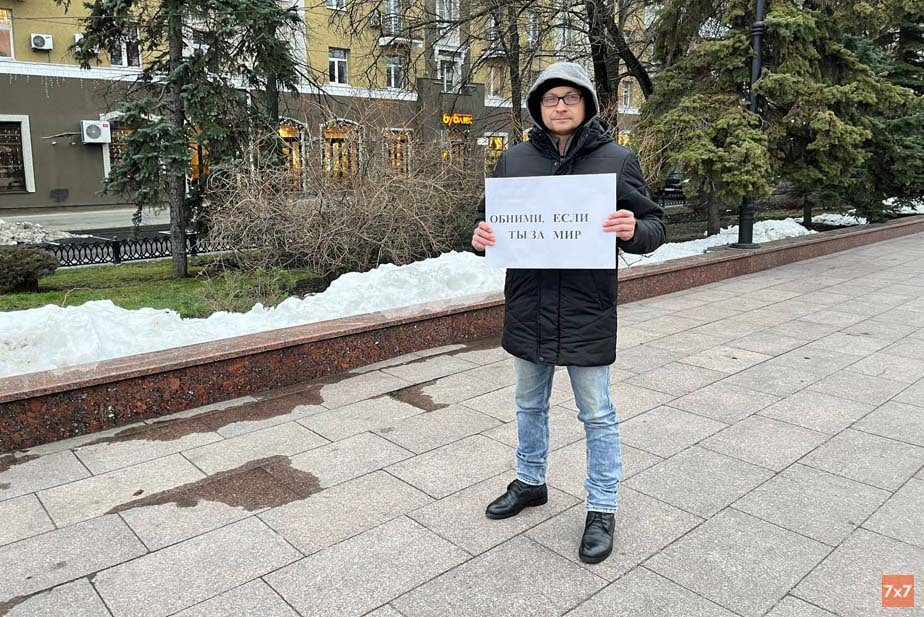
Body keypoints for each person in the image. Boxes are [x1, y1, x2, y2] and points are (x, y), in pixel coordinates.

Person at [471, 62, 667, 564]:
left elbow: (654, 225)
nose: (560, 106)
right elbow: (489, 222)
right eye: (550, 98)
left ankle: (601, 507)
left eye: (570, 97)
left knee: (597, 413)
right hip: (529, 304)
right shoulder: (513, 160)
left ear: (586, 104)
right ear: (537, 106)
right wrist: (481, 236)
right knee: (528, 404)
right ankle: (530, 481)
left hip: (586, 307)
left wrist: (633, 230)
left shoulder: (616, 160)